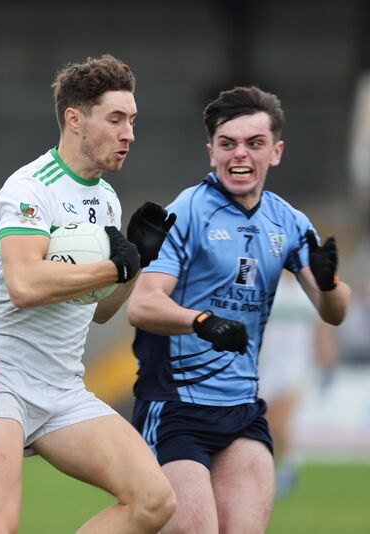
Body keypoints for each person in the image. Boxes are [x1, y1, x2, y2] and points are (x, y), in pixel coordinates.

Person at [0, 54, 177, 534]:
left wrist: (135, 264)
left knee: (153, 501)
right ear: (75, 119)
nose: (129, 133)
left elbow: (99, 313)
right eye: (116, 119)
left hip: (61, 388)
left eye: (132, 120)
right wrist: (111, 266)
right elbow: (25, 285)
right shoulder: (31, 188)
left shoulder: (107, 199)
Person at [127, 85, 352, 533]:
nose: (240, 156)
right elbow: (142, 304)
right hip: (176, 408)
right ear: (211, 152)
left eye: (254, 143)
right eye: (227, 144)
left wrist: (328, 284)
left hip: (242, 410)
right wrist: (202, 321)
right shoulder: (188, 212)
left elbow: (334, 312)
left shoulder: (288, 221)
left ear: (276, 151)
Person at [258, 271, 336, 497]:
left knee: (282, 421)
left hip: (296, 366)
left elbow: (321, 328)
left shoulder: (308, 290)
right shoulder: (268, 284)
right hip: (265, 365)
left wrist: (326, 360)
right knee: (269, 423)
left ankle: (286, 471)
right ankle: (284, 466)